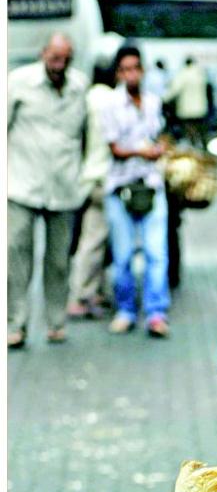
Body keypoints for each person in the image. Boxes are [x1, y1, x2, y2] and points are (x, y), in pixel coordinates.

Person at [7, 32, 88, 348]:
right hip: (21, 184)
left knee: (58, 261)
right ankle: (15, 324)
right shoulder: (19, 82)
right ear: (43, 54)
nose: (59, 65)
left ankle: (55, 323)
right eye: (55, 58)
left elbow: (86, 135)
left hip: (64, 187)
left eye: (65, 59)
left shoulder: (79, 86)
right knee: (15, 256)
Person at [100, 44, 170, 338]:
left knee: (157, 252)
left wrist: (159, 149)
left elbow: (159, 135)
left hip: (151, 183)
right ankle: (126, 310)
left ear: (142, 70)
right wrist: (143, 152)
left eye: (135, 68)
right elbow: (114, 148)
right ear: (119, 73)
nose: (131, 74)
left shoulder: (153, 102)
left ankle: (156, 313)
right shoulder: (110, 104)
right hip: (121, 187)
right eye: (125, 69)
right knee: (123, 255)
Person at [66, 56, 115, 320]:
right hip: (102, 176)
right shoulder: (110, 100)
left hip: (86, 176)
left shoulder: (87, 97)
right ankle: (80, 296)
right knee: (94, 240)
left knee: (96, 239)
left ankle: (94, 291)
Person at [165, 57, 209, 147]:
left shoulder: (183, 74)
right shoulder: (201, 74)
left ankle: (193, 149)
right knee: (201, 132)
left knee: (190, 132)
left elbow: (174, 90)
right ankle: (204, 149)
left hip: (187, 109)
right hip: (201, 108)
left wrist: (164, 99)